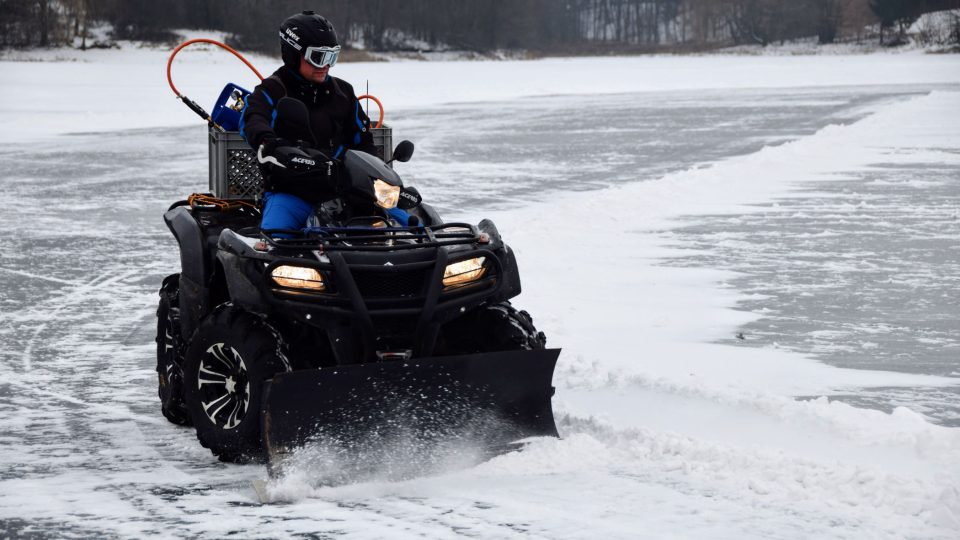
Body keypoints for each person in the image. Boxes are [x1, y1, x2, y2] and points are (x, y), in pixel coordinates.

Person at [241, 11, 378, 231]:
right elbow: (253, 119)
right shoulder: (272, 90)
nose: (325, 65)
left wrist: (371, 176)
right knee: (276, 233)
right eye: (317, 57)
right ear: (293, 55)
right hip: (291, 191)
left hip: (341, 191)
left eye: (331, 57)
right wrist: (272, 144)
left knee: (403, 222)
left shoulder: (343, 92)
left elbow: (363, 140)